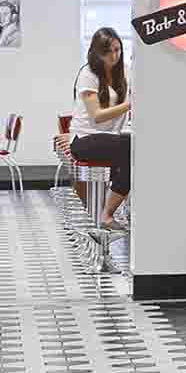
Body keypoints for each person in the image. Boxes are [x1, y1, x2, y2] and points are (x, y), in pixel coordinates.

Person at [71, 27, 132, 226]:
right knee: (132, 147)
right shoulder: (88, 74)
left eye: (118, 50)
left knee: (134, 154)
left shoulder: (125, 71)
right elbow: (96, 116)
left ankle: (109, 210)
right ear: (97, 52)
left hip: (111, 138)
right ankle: (106, 214)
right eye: (109, 52)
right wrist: (130, 105)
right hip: (85, 140)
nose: (114, 56)